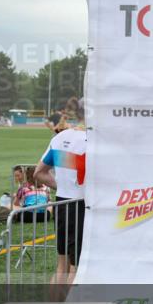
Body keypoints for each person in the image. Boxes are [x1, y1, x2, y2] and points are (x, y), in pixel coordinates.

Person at [34, 110, 87, 285]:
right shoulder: (92, 140)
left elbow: (38, 173)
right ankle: (69, 303)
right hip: (81, 206)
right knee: (75, 268)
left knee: (61, 267)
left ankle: (53, 302)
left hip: (61, 203)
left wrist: (63, 186)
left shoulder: (59, 138)